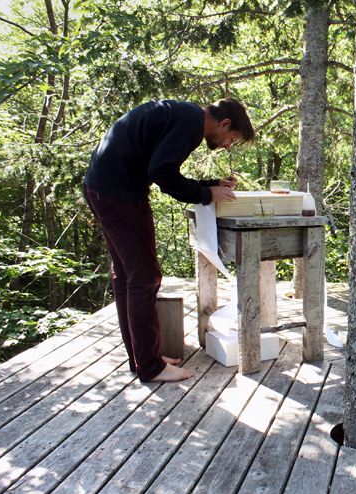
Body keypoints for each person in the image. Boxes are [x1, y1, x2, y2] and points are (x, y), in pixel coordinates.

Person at [83, 98, 255, 382]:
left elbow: (160, 167)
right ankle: (150, 367)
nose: (227, 146)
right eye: (231, 139)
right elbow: (161, 173)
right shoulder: (191, 122)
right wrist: (205, 194)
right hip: (121, 196)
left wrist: (208, 186)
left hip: (101, 188)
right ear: (224, 123)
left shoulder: (182, 113)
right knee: (144, 277)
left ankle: (142, 358)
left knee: (128, 276)